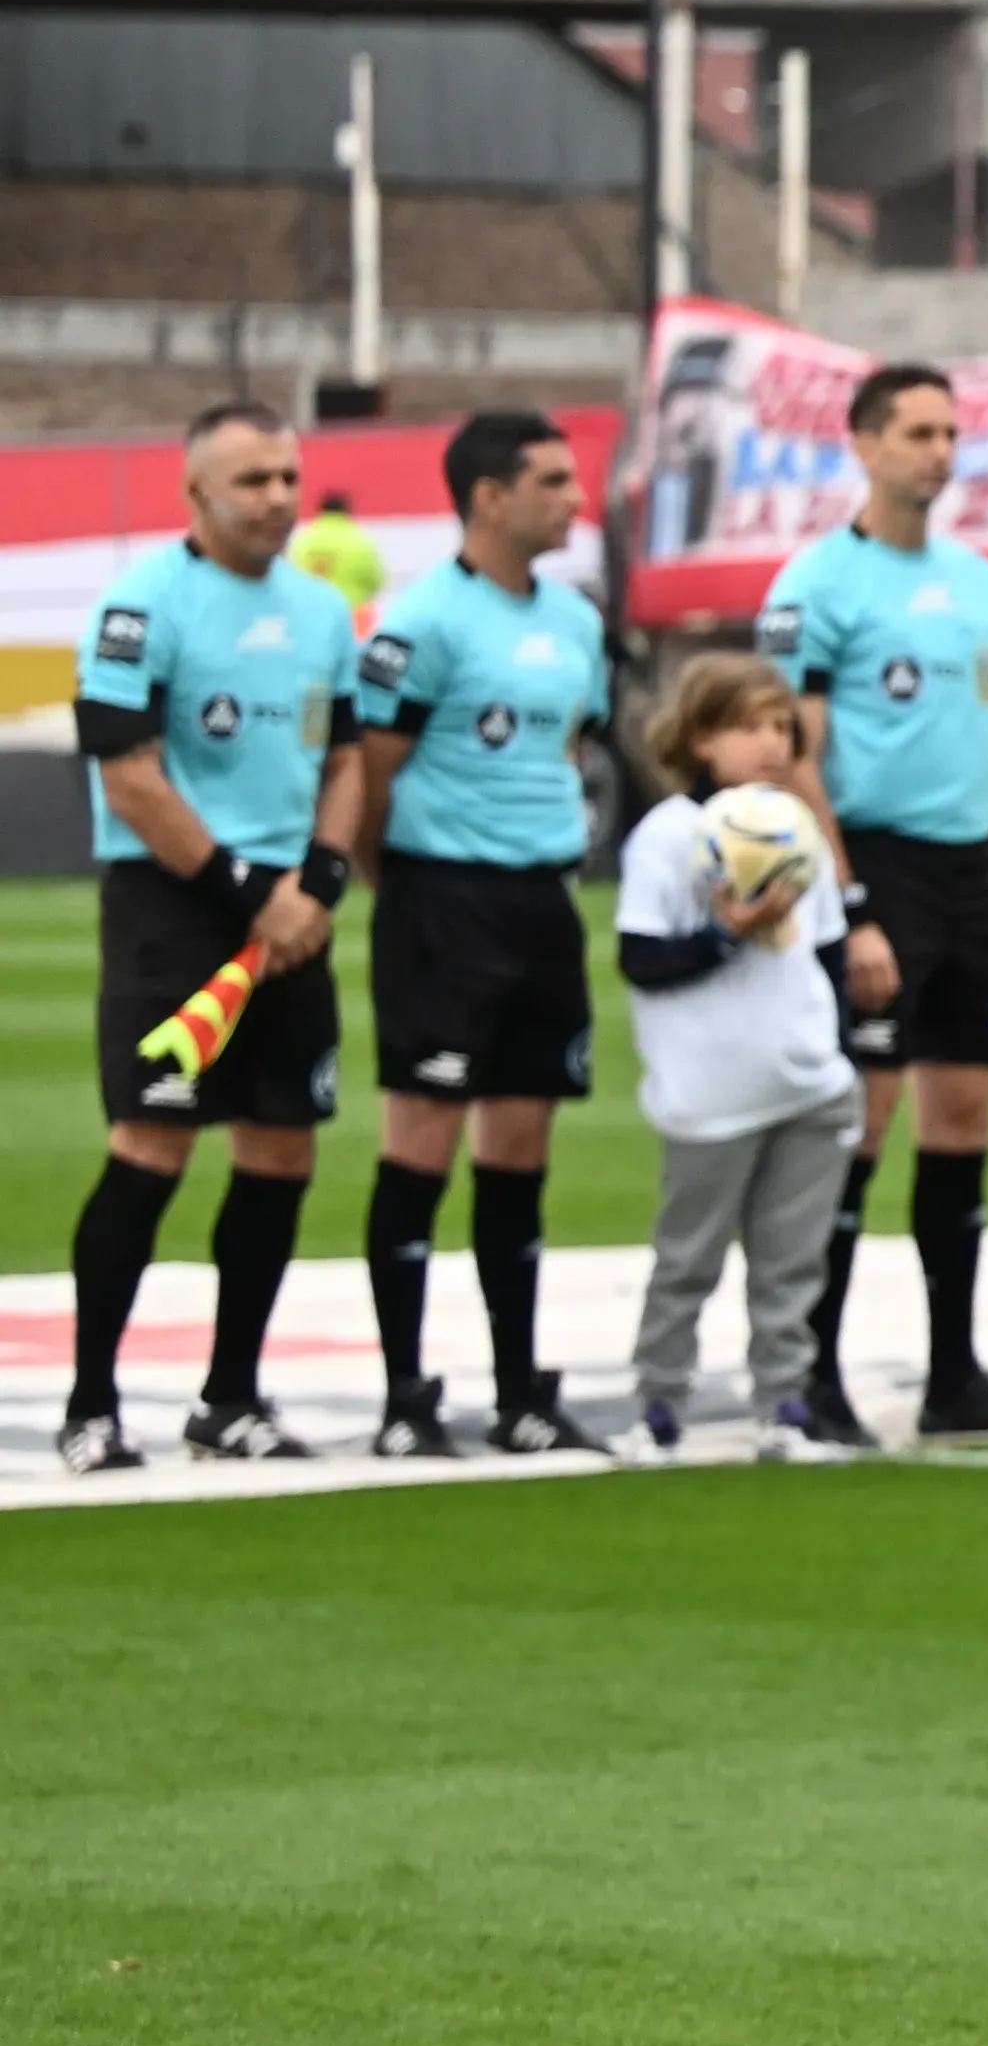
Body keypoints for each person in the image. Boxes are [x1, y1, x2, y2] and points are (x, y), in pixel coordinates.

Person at [63, 403, 369, 1472]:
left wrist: (320, 880)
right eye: (252, 480)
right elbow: (129, 773)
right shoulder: (144, 602)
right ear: (196, 494)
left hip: (291, 912)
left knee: (282, 1143)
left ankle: (229, 1397)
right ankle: (91, 1403)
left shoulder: (325, 611)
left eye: (288, 475)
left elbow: (343, 759)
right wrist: (251, 891)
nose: (279, 497)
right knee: (151, 1143)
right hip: (177, 906)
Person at [770, 355, 988, 1442]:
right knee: (861, 1117)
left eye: (950, 432)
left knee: (965, 1114)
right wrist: (848, 899)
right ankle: (816, 1373)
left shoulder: (976, 581)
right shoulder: (816, 583)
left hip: (974, 868)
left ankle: (954, 1376)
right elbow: (798, 756)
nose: (941, 451)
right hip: (875, 866)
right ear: (866, 443)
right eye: (919, 432)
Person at [337, 408, 612, 1461]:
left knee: (521, 1148)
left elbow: (568, 743)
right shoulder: (425, 620)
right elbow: (372, 764)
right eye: (550, 481)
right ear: (488, 496)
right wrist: (394, 877)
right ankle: (406, 1394)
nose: (573, 498)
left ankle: (518, 1389)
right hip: (441, 903)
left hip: (540, 901)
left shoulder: (575, 620)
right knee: (421, 1141)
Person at [609, 656, 855, 1460]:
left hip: (805, 1082)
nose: (770, 744)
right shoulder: (669, 835)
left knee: (791, 1265)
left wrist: (836, 1053)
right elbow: (641, 957)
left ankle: (783, 1406)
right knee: (688, 1261)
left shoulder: (796, 827)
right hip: (709, 1093)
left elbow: (824, 955)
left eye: (781, 726)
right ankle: (659, 1406)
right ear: (699, 738)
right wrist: (725, 933)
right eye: (747, 726)